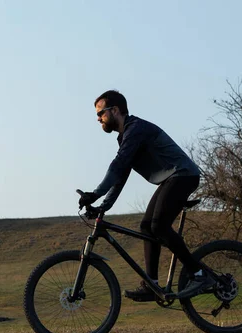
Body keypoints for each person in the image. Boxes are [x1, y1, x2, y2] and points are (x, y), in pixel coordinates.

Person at [78, 90, 216, 301]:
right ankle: (153, 285)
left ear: (115, 110)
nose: (98, 118)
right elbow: (120, 175)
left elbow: (117, 166)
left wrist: (95, 194)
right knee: (146, 226)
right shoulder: (125, 137)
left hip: (183, 175)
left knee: (159, 226)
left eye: (101, 113)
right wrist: (103, 206)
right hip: (172, 179)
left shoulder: (136, 129)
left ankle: (199, 274)